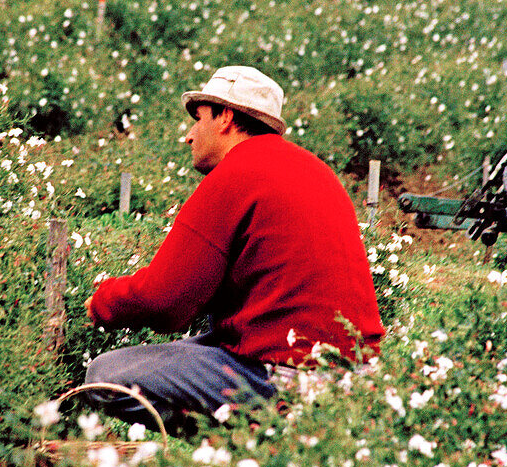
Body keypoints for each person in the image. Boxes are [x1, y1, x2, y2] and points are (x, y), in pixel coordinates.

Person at [83, 65, 384, 430]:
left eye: (198, 118)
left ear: (225, 117)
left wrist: (104, 301)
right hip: (360, 378)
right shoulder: (317, 171)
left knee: (105, 375)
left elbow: (164, 301)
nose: (189, 136)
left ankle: (239, 454)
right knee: (207, 344)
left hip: (287, 376)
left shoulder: (235, 174)